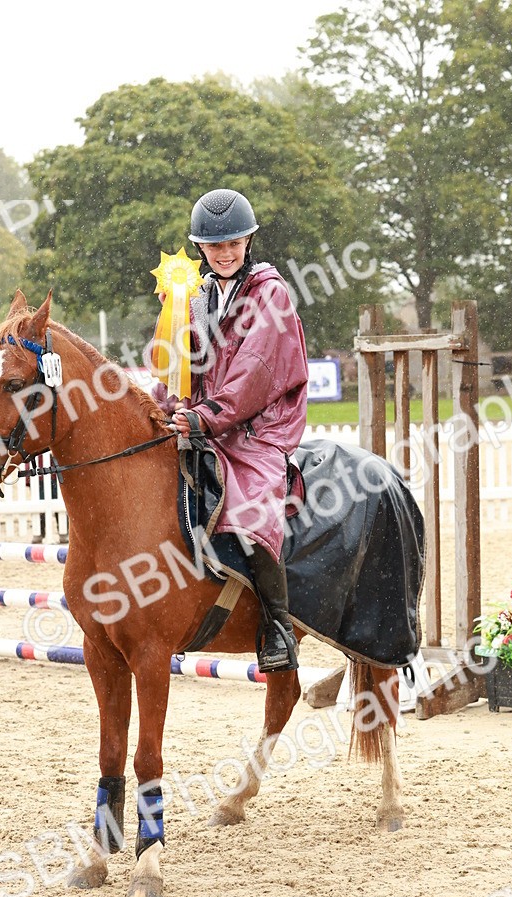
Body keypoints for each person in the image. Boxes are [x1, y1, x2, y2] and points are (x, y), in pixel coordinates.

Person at [153, 188, 309, 672]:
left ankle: (278, 629)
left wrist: (208, 416)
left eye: (233, 244)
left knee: (251, 508)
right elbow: (179, 363)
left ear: (248, 242)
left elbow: (255, 371)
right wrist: (164, 406)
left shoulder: (270, 294)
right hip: (207, 422)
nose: (225, 253)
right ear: (200, 248)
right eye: (215, 246)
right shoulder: (197, 297)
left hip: (259, 428)